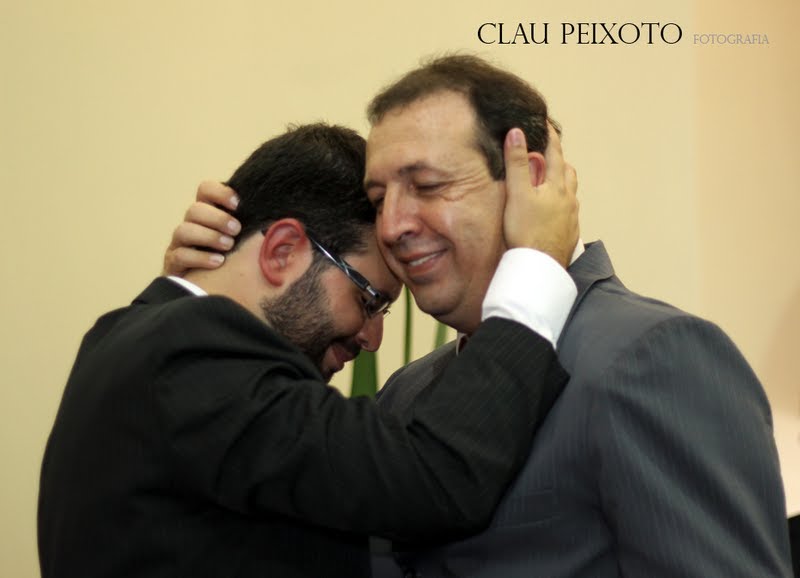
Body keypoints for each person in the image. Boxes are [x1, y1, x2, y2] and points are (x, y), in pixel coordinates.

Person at [169, 56, 793, 577]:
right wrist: (209, 295)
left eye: (427, 186)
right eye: (379, 199)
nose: (393, 226)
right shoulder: (408, 394)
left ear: (529, 180)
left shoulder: (653, 356)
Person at [38, 122, 581, 578]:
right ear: (282, 250)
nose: (372, 339)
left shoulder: (136, 338)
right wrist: (535, 264)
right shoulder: (190, 356)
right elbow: (431, 476)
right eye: (368, 299)